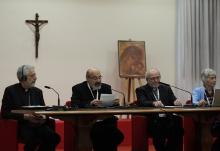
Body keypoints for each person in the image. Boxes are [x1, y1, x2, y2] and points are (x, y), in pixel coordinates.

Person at [1, 65, 60, 151]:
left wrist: (43, 117)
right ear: (22, 78)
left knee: (55, 138)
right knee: (34, 139)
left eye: (35, 75)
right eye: (32, 76)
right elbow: (5, 113)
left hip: (39, 125)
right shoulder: (10, 91)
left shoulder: (38, 92)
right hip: (21, 125)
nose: (36, 78)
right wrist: (25, 116)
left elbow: (44, 111)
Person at [71, 68, 124, 151]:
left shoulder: (106, 87)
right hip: (89, 121)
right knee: (102, 135)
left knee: (118, 136)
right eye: (95, 78)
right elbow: (74, 104)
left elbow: (112, 105)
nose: (98, 80)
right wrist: (90, 103)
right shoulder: (78, 88)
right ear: (87, 78)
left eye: (100, 77)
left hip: (106, 120)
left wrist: (114, 102)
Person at [136, 68, 183, 151]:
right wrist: (153, 103)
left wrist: (176, 102)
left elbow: (173, 100)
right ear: (147, 80)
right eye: (153, 78)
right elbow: (142, 102)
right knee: (159, 128)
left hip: (167, 119)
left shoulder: (166, 88)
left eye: (158, 77)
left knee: (178, 124)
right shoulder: (141, 90)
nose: (156, 80)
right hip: (153, 120)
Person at [192, 68, 220, 151]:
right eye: (212, 78)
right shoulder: (197, 91)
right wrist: (199, 103)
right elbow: (194, 102)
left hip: (216, 119)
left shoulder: (217, 91)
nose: (214, 80)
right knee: (206, 127)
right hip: (202, 119)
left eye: (215, 78)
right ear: (205, 79)